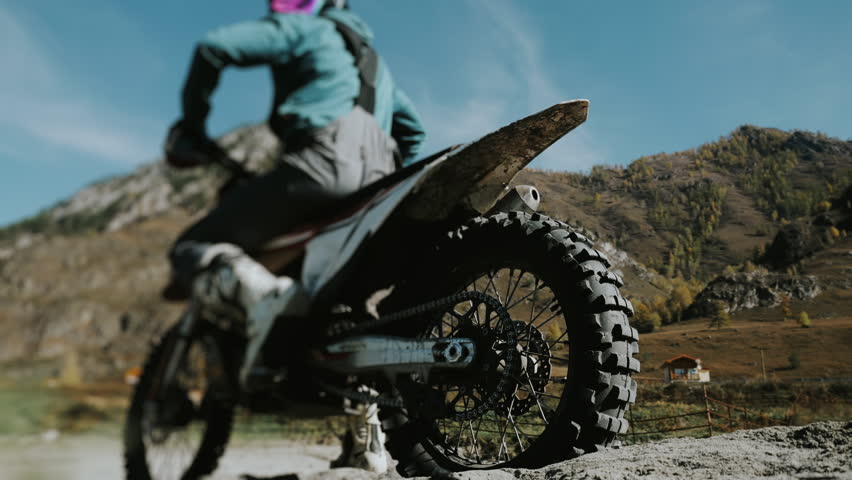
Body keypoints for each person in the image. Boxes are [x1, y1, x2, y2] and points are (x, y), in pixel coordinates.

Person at [162, 0, 425, 473]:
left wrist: (194, 126)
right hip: (376, 187)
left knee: (191, 246)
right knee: (342, 310)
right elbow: (414, 131)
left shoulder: (311, 30)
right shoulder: (377, 68)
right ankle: (368, 446)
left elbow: (213, 47)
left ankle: (266, 296)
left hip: (321, 163)